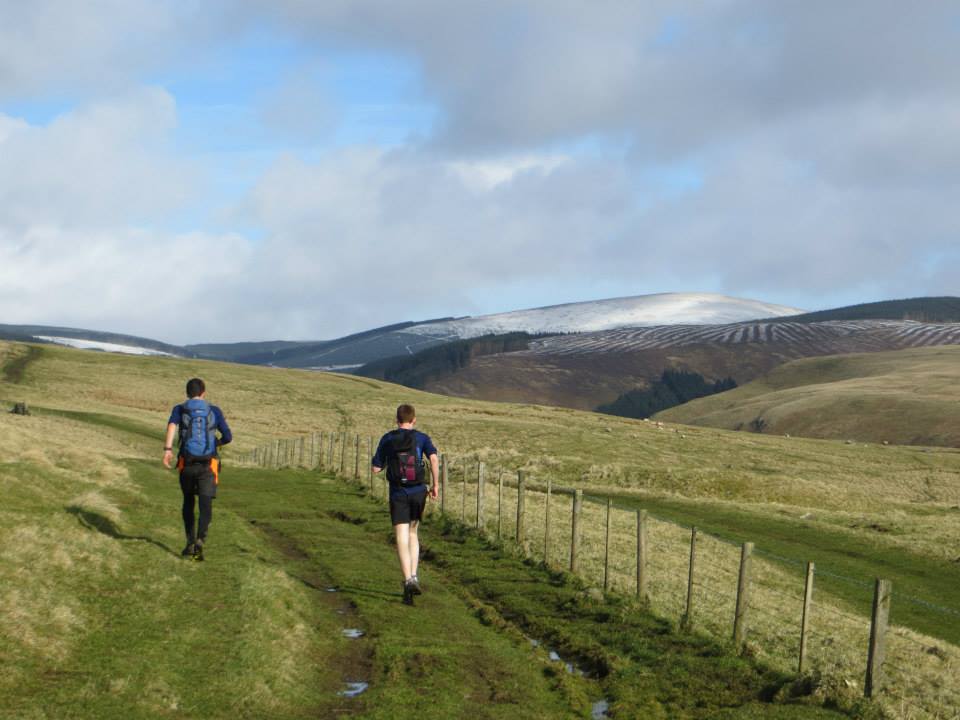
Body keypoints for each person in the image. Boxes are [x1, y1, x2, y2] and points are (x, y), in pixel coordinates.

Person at [371, 404, 439, 605]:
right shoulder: (422, 438)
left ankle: (408, 579)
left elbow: (376, 468)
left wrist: (385, 463)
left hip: (398, 492)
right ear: (414, 419)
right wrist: (435, 485)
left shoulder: (388, 438)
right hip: (419, 491)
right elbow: (434, 460)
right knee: (412, 533)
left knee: (400, 536)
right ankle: (415, 575)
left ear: (396, 420)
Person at [162, 378, 232, 561]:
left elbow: (171, 426)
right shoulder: (214, 410)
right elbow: (228, 436)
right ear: (203, 393)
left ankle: (189, 542)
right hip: (208, 465)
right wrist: (216, 444)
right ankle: (201, 539)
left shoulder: (180, 408)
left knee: (188, 501)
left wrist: (168, 450)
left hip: (187, 463)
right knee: (205, 504)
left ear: (187, 393)